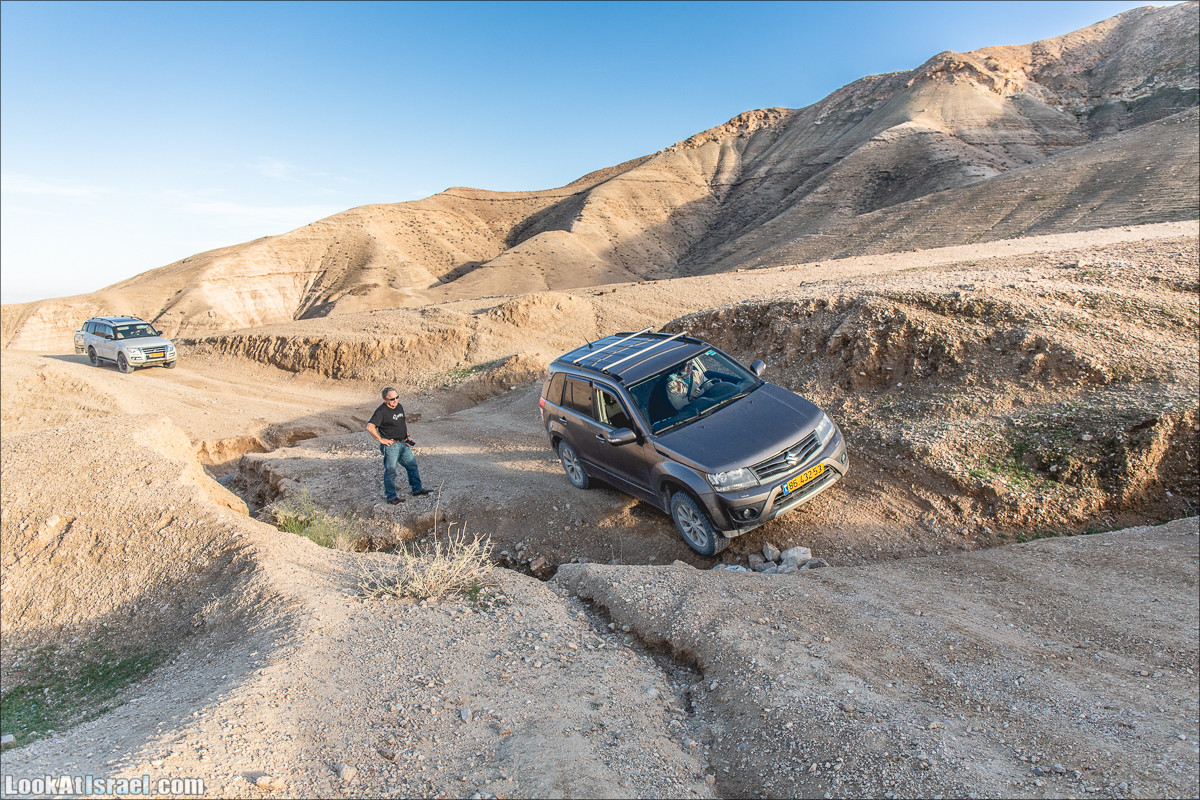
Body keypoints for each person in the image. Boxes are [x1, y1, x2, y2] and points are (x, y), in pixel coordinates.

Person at [367, 387, 431, 504]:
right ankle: (391, 497)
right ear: (385, 399)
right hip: (391, 446)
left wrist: (407, 436)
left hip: (403, 443)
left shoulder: (399, 406)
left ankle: (417, 489)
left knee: (412, 466)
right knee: (391, 471)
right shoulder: (381, 411)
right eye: (392, 399)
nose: (395, 400)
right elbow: (370, 427)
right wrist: (381, 439)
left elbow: (402, 422)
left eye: (397, 397)